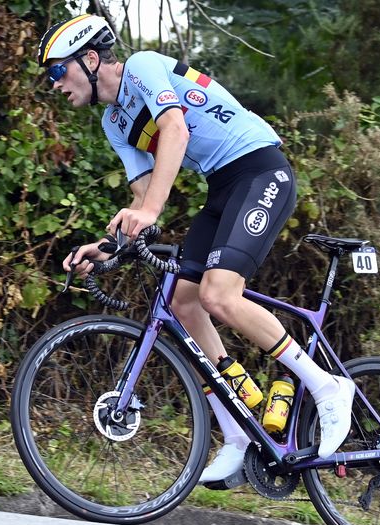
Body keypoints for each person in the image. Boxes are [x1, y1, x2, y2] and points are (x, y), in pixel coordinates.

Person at [38, 13, 355, 486]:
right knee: (184, 305)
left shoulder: (142, 66)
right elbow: (144, 198)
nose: (55, 85)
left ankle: (327, 387)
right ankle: (238, 433)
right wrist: (104, 248)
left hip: (260, 171)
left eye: (57, 71)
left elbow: (176, 130)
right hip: (223, 187)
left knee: (220, 295)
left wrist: (147, 213)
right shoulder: (113, 121)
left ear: (88, 58)